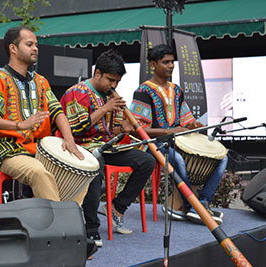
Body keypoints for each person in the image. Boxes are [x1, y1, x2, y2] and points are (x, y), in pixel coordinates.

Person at [0, 26, 84, 203]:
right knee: (38, 172)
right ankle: (61, 225)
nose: (35, 48)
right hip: (5, 151)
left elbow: (57, 111)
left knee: (78, 171)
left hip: (39, 151)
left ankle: (68, 220)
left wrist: (69, 140)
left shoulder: (40, 81)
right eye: (29, 44)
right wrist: (18, 125)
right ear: (13, 48)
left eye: (36, 44)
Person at [60, 49, 155, 247]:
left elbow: (115, 130)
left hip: (107, 147)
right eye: (110, 80)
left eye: (117, 82)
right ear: (98, 73)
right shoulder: (77, 92)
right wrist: (104, 108)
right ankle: (92, 228)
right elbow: (75, 128)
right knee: (97, 163)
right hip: (80, 147)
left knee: (146, 161)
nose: (113, 86)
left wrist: (127, 128)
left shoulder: (109, 96)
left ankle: (116, 208)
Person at [130, 44, 228, 225]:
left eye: (172, 62)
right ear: (153, 64)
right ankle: (194, 208)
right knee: (180, 161)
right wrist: (168, 131)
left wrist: (193, 124)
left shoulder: (176, 90)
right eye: (165, 62)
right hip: (154, 143)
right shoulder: (144, 91)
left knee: (222, 157)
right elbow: (137, 129)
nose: (171, 66)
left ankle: (204, 202)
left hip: (179, 140)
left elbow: (185, 120)